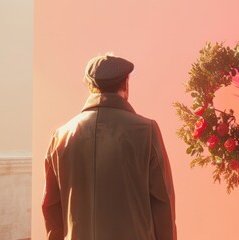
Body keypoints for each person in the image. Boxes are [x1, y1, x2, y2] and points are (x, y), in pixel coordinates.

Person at [42, 54, 177, 240]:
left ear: (90, 87)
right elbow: (163, 203)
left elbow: (51, 207)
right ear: (125, 84)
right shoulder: (146, 131)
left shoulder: (61, 136)